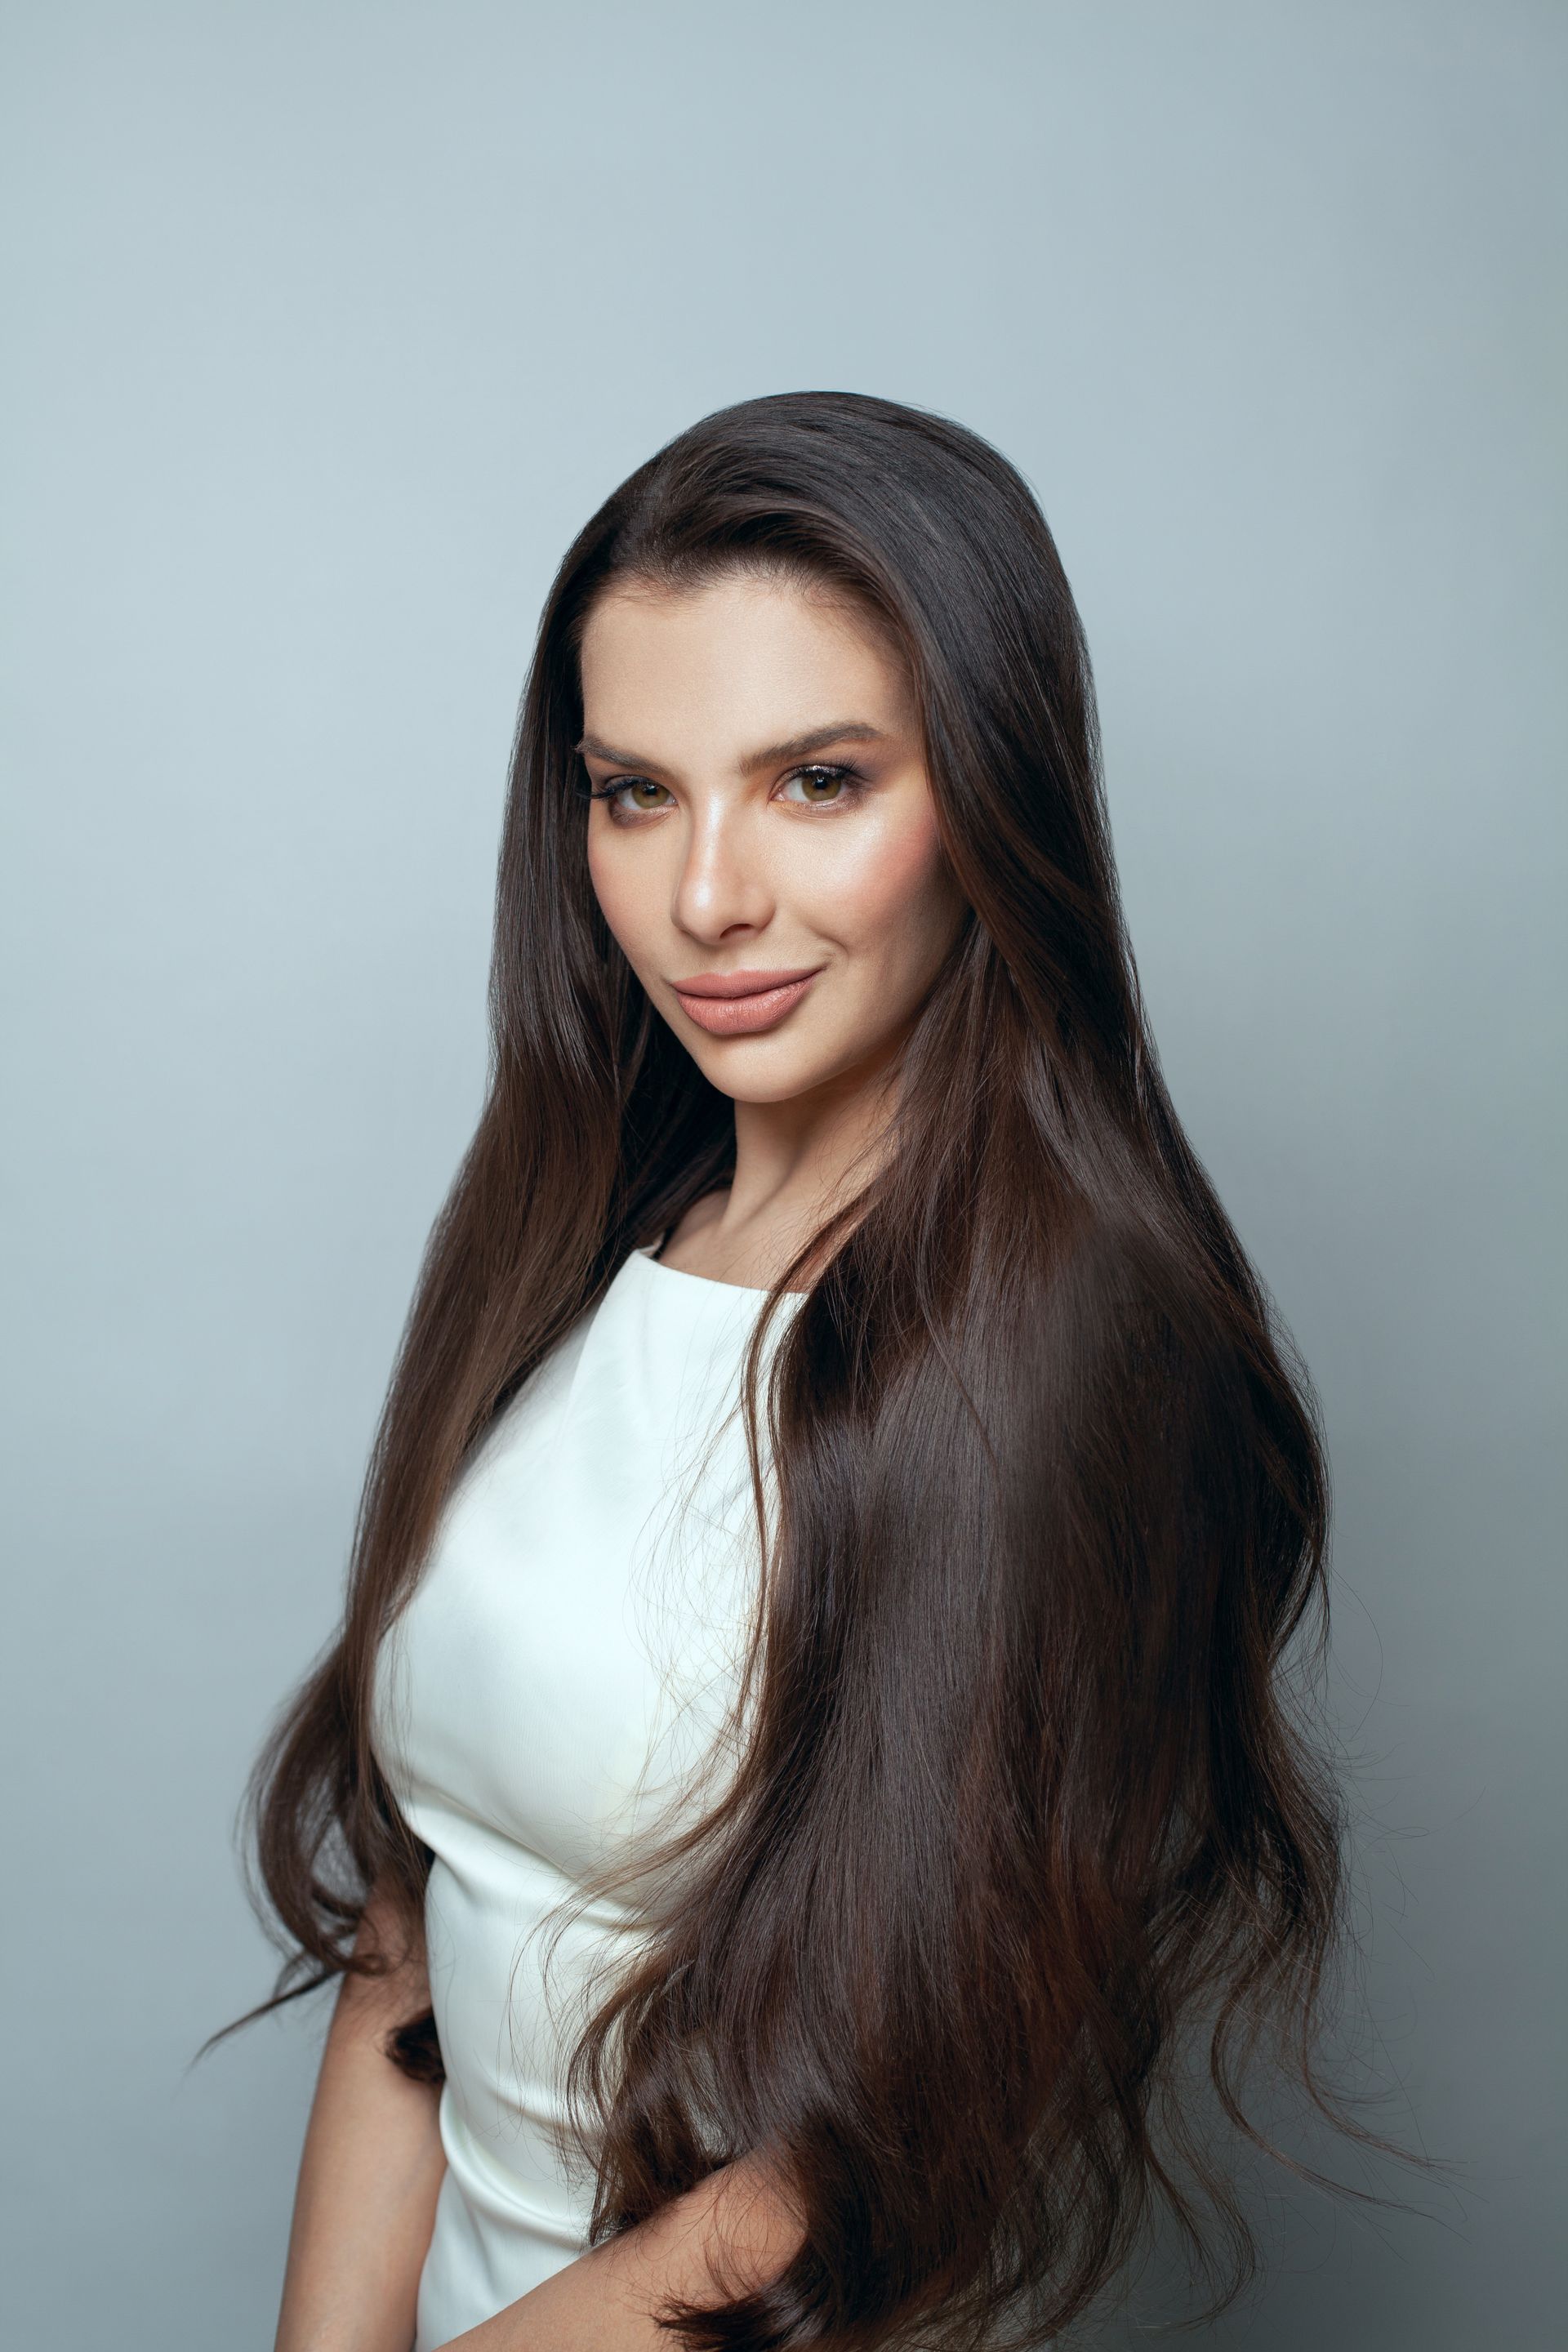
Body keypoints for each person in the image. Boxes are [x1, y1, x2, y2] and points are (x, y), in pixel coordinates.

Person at [231, 390, 1390, 2351]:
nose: (705, 900)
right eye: (634, 793)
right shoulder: (574, 1239)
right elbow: (421, 1924)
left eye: (819, 783)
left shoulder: (1089, 1345)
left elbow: (850, 2171)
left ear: (993, 790)